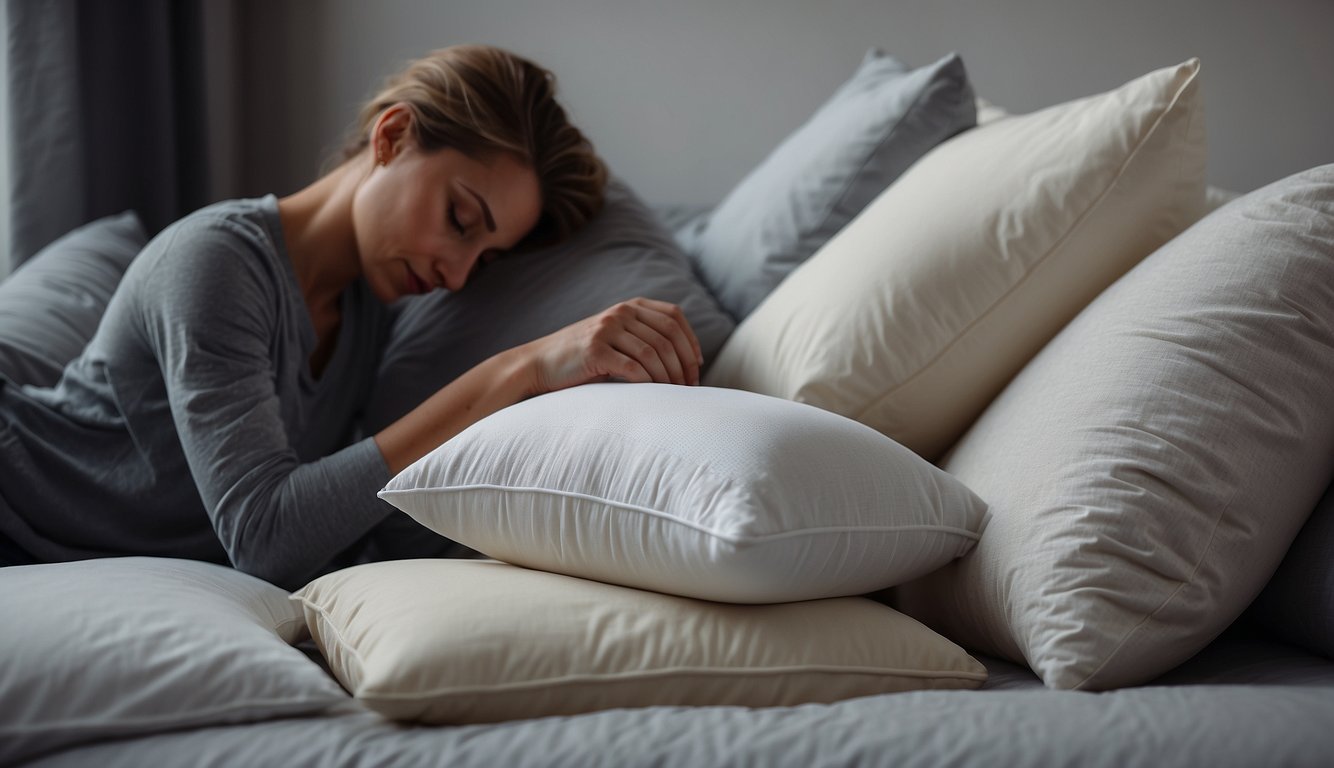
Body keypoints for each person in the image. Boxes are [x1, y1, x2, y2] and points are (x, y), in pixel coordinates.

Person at [0, 45, 702, 588]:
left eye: (485, 260)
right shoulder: (216, 263)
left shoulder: (370, 313)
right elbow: (266, 538)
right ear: (393, 136)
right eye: (461, 220)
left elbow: (342, 515)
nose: (455, 277)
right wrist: (518, 369)